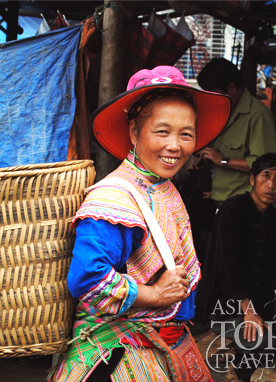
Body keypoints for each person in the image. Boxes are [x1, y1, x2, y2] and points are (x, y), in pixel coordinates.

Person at [49, 66, 231, 382]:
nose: (175, 146)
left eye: (186, 134)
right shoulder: (115, 198)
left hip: (163, 343)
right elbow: (87, 278)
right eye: (162, 131)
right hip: (119, 356)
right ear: (134, 131)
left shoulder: (161, 185)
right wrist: (155, 295)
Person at [197, 153, 276, 382]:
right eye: (266, 176)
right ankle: (241, 371)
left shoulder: (273, 216)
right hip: (225, 304)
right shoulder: (233, 208)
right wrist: (248, 310)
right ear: (252, 179)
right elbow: (226, 266)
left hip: (258, 302)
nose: (271, 185)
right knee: (263, 343)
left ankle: (249, 356)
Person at [197, 58, 276, 204]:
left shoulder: (257, 115)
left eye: (215, 94)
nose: (212, 99)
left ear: (231, 87)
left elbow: (267, 166)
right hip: (218, 197)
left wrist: (223, 160)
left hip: (243, 204)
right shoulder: (221, 110)